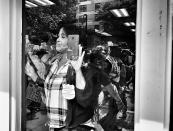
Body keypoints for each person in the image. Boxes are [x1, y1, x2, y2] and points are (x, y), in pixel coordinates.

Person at [25, 25, 96, 131]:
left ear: (74, 41)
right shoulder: (55, 62)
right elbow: (51, 91)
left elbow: (86, 97)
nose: (57, 39)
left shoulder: (81, 66)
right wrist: (34, 76)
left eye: (63, 37)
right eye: (58, 36)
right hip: (54, 126)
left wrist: (78, 71)